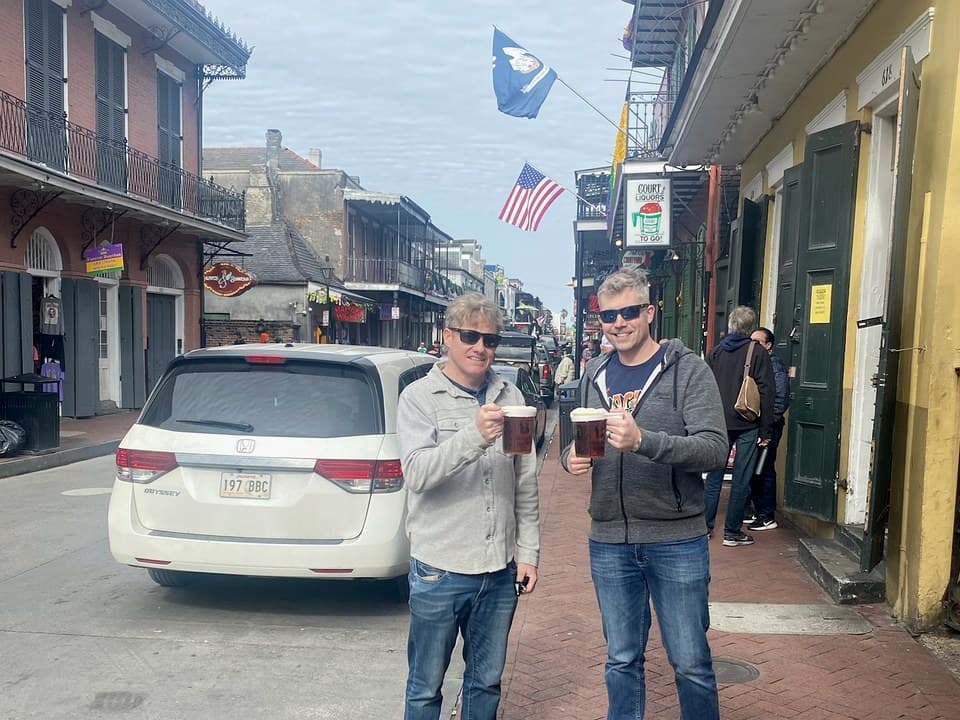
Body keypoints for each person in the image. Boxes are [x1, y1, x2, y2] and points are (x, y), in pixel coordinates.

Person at [560, 266, 727, 720]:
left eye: (629, 312)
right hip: (609, 540)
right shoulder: (594, 373)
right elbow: (572, 442)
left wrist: (644, 442)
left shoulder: (687, 370)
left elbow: (714, 449)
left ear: (650, 313)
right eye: (608, 315)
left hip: (676, 540)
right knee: (621, 660)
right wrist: (569, 459)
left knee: (690, 662)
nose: (619, 323)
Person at [397, 292, 540, 720]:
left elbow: (525, 481)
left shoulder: (511, 395)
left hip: (499, 571)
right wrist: (474, 435)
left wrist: (529, 553)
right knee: (425, 688)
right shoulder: (419, 397)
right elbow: (418, 473)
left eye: (490, 340)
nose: (480, 347)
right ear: (448, 337)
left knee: (486, 682)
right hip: (440, 568)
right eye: (470, 336)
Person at [703, 305, 776, 547]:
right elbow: (767, 392)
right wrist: (766, 430)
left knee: (713, 477)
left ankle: (705, 527)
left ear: (731, 324)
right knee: (741, 478)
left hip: (718, 422)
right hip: (747, 422)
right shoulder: (758, 352)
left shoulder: (715, 352)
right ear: (751, 327)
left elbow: (705, 387)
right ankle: (732, 532)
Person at [747, 326, 790, 531]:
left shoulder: (775, 365)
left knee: (764, 469)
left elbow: (781, 398)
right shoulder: (757, 362)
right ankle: (758, 510)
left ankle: (766, 515)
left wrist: (768, 423)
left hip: (769, 426)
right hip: (757, 424)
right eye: (751, 342)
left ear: (769, 345)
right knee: (755, 468)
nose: (753, 346)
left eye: (758, 342)